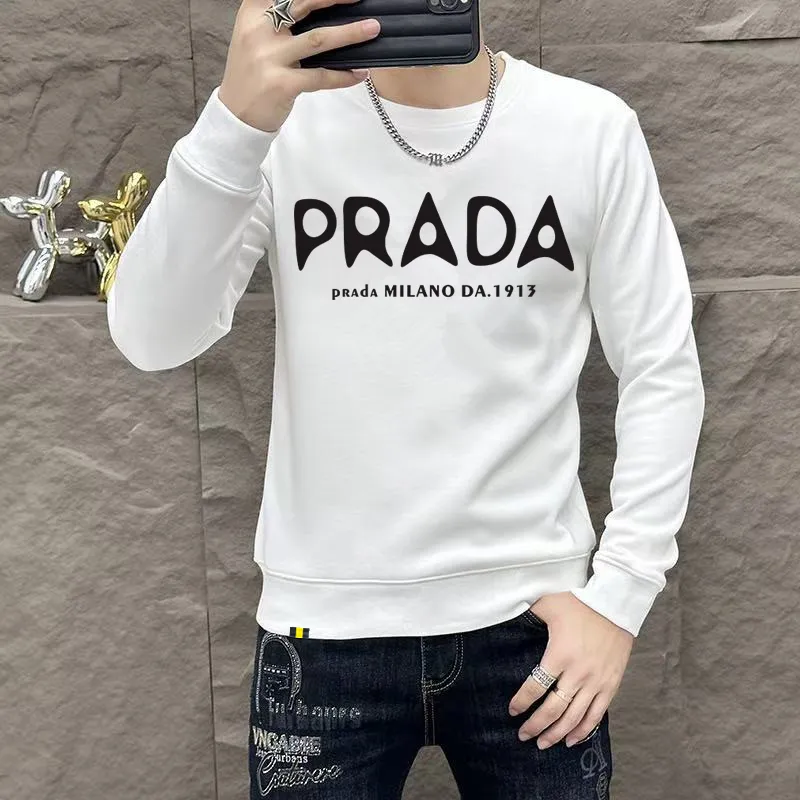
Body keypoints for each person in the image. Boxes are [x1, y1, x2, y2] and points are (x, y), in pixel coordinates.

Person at [106, 0, 706, 796]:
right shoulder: (283, 128)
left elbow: (662, 365)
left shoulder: (589, 129)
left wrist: (620, 599)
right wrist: (234, 121)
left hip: (531, 628)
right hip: (321, 634)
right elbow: (152, 336)